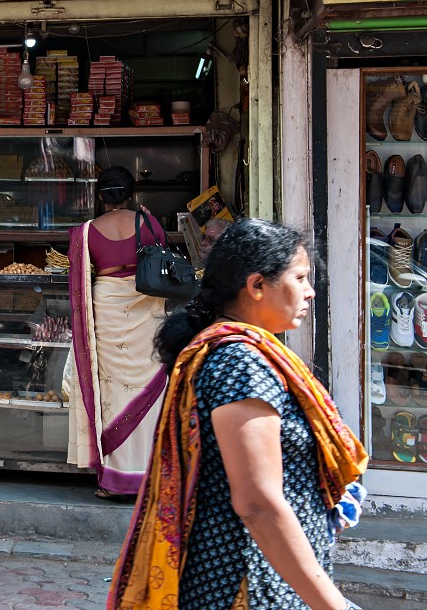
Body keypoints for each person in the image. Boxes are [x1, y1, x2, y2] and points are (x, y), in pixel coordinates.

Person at [109, 219, 368, 610]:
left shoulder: (243, 355)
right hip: (246, 585)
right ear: (257, 285)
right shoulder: (240, 364)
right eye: (300, 278)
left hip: (260, 578)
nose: (310, 291)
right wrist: (335, 606)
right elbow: (257, 503)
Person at [67, 165, 169, 501]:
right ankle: (149, 478)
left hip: (108, 311)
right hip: (147, 309)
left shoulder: (85, 232)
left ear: (100, 196)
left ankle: (115, 480)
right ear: (131, 194)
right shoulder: (150, 224)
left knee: (111, 394)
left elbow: (79, 274)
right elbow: (162, 262)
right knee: (149, 390)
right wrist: (148, 222)